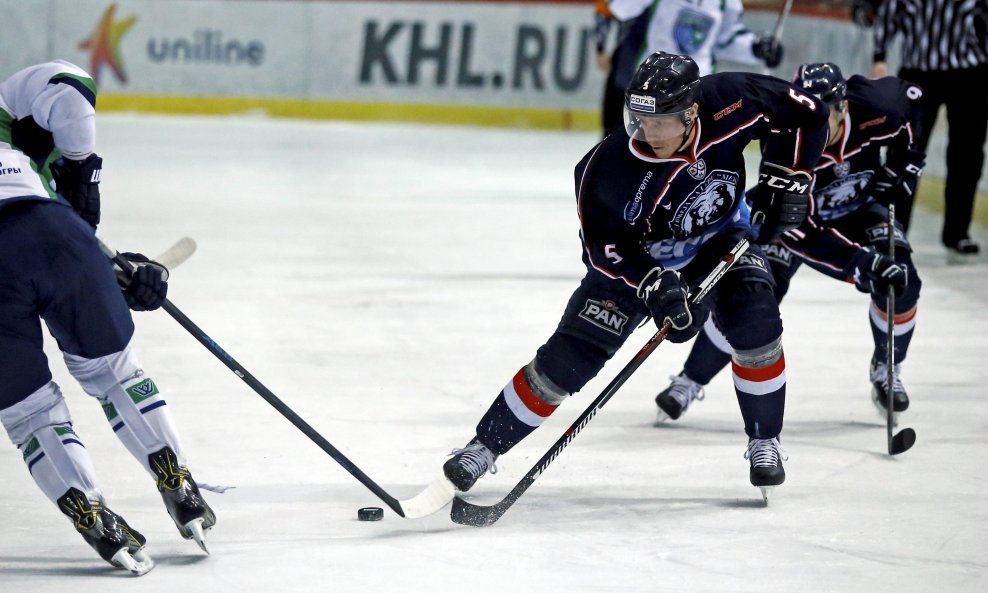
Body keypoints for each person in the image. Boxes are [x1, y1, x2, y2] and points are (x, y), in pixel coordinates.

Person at [441, 52, 829, 499]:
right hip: (639, 262)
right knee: (569, 358)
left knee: (756, 323)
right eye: (641, 118)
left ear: (691, 113)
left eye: (662, 121)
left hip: (719, 237)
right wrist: (651, 280)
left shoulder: (733, 99)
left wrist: (788, 179)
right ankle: (483, 447)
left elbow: (807, 113)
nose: (649, 132)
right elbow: (603, 250)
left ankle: (765, 441)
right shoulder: (606, 167)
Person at [0, 60, 215, 574]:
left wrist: (114, 264)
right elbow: (72, 86)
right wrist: (81, 165)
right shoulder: (9, 112)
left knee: (29, 412)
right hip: (56, 239)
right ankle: (178, 484)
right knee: (114, 371)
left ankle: (93, 516)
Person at [653, 63, 924, 427]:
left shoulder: (879, 107)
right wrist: (859, 262)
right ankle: (690, 380)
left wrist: (906, 165)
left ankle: (886, 368)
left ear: (843, 106)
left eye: (821, 113)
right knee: (754, 295)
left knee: (903, 280)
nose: (809, 122)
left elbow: (914, 103)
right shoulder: (788, 135)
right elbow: (797, 227)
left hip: (859, 210)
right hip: (796, 225)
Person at [871, 0, 988, 263]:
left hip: (969, 73)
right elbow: (890, 11)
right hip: (918, 72)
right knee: (904, 152)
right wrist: (879, 55)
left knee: (967, 156)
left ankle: (957, 232)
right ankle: (894, 228)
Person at [605, 0, 785, 78]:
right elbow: (620, 8)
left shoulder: (727, 2)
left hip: (699, 84)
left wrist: (755, 48)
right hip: (651, 78)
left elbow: (726, 41)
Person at [594, 1, 651, 137]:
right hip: (628, 55)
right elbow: (604, 10)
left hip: (639, 56)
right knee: (615, 110)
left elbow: (603, 11)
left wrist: (600, 47)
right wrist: (600, 48)